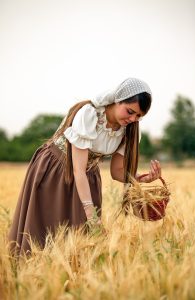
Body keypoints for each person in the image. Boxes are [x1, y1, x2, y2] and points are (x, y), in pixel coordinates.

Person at [8, 77, 161, 255]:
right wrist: (91, 214)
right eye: (130, 111)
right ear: (118, 100)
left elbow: (117, 172)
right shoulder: (89, 114)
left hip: (88, 176)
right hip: (56, 169)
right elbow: (77, 169)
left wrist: (142, 178)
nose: (133, 119)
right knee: (44, 230)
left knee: (81, 238)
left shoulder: (130, 130)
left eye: (138, 116)